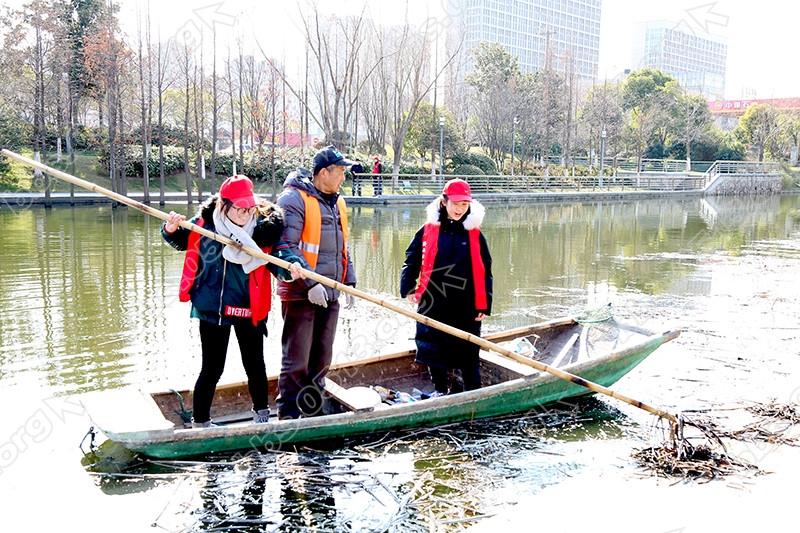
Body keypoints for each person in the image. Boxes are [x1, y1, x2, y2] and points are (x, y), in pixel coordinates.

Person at [162, 175, 305, 428]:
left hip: (249, 305)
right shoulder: (206, 223)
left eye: (249, 208)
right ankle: (201, 423)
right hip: (212, 307)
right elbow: (180, 240)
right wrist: (170, 229)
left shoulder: (264, 227)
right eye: (238, 208)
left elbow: (280, 256)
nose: (244, 213)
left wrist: (293, 267)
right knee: (212, 368)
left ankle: (262, 419)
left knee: (255, 365)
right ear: (223, 205)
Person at [275, 145, 357, 419]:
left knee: (322, 358)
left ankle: (312, 414)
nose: (344, 177)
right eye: (341, 171)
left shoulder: (338, 203)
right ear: (324, 172)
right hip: (302, 293)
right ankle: (288, 416)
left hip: (331, 292)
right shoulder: (293, 200)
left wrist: (350, 282)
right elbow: (286, 246)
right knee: (297, 359)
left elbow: (343, 247)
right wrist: (310, 284)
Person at [399, 178, 493, 396]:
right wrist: (409, 288)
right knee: (434, 348)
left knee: (468, 351)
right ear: (444, 202)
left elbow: (486, 270)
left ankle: (472, 394)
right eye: (456, 203)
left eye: (464, 204)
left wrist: (484, 304)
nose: (460, 209)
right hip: (434, 300)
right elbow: (411, 259)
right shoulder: (428, 230)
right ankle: (440, 391)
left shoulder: (475, 234)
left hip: (465, 303)